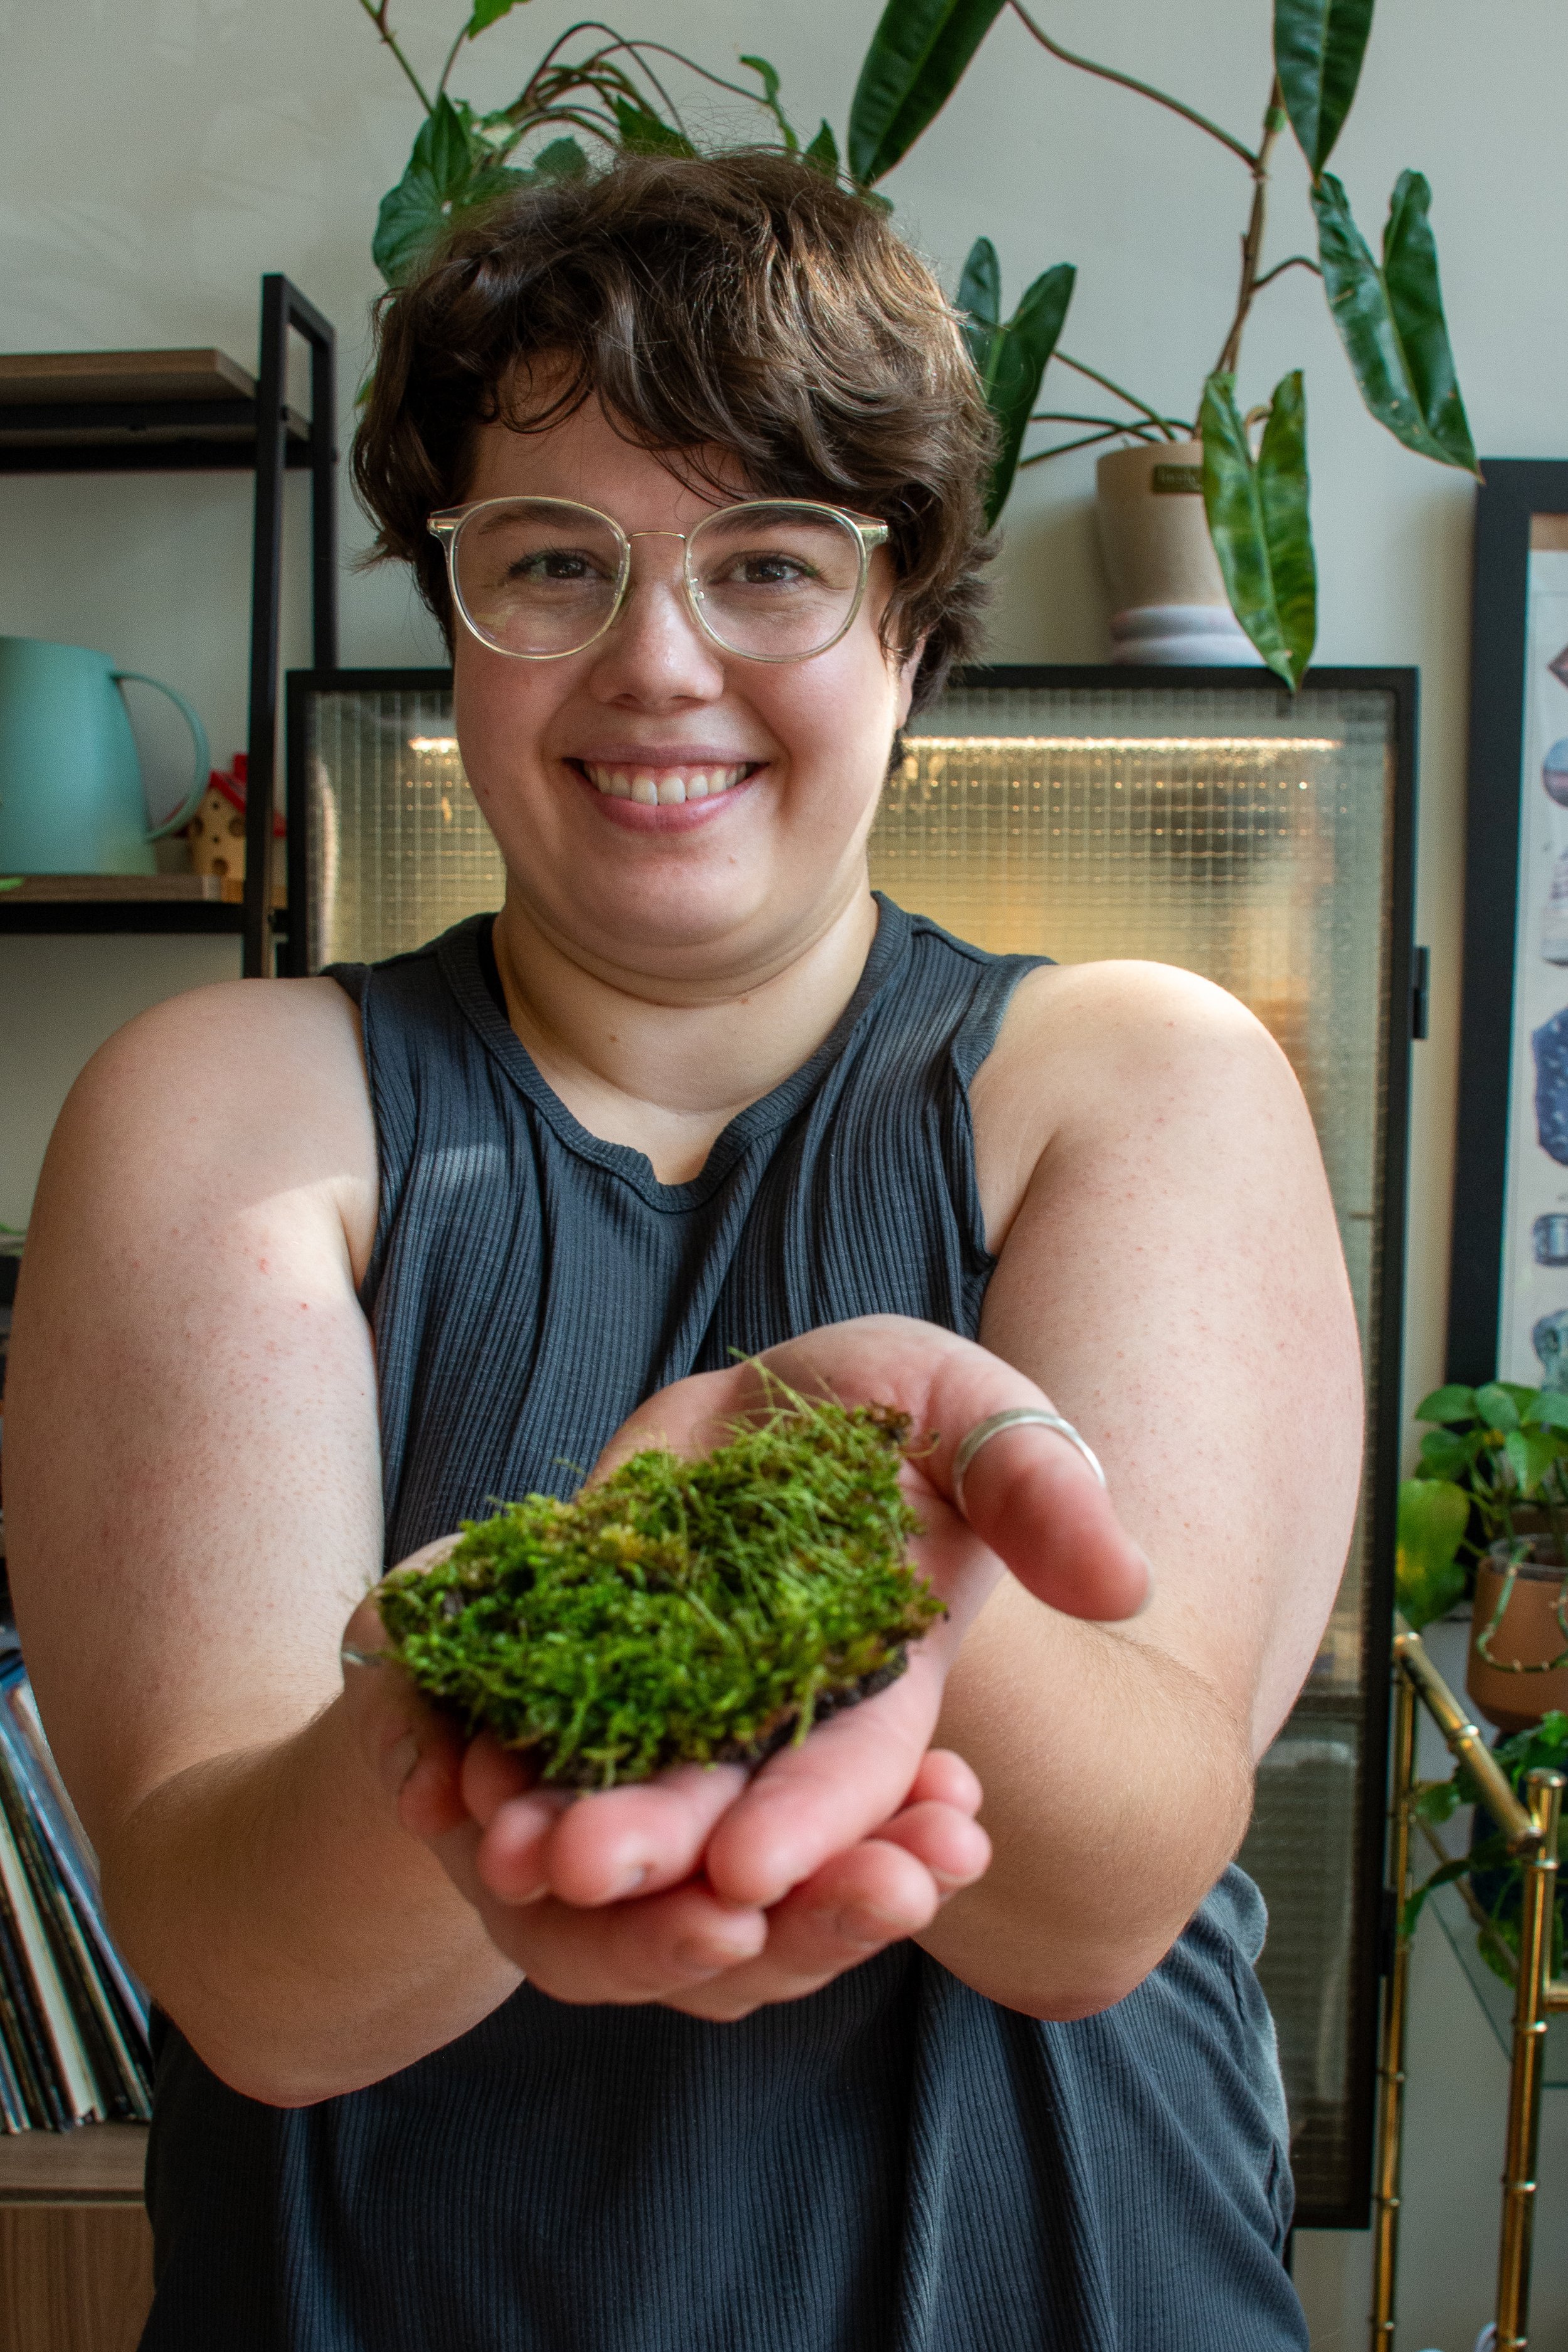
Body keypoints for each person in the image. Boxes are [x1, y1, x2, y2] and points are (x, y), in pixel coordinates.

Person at [4, 152, 1362, 2351]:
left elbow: (1095, 1903)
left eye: (769, 564)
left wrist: (837, 1534)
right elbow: (256, 1985)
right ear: (456, 620)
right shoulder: (226, 1103)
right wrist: (487, 1709)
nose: (655, 661)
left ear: (909, 628)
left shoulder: (1143, 1077)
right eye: (552, 561)